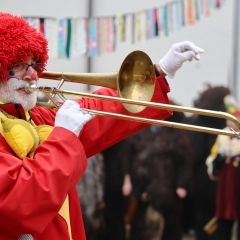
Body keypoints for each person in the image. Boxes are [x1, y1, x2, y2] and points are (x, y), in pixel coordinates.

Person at [0, 12, 204, 240]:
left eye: (33, 64)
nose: (32, 75)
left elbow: (98, 109)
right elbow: (22, 200)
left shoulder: (33, 115)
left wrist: (156, 73)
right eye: (17, 65)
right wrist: (64, 136)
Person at [129, 101, 194, 240]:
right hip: (142, 188)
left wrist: (182, 184)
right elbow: (128, 157)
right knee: (141, 226)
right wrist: (128, 179)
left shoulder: (175, 133)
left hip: (168, 189)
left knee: (169, 226)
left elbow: (184, 161)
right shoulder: (139, 131)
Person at [185, 86, 230, 240]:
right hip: (221, 183)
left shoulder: (200, 122)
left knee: (204, 223)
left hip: (203, 183)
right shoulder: (226, 123)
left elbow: (194, 154)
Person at [206, 95, 240, 240]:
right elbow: (212, 156)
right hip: (226, 183)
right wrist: (216, 163)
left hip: (238, 182)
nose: (227, 121)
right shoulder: (222, 136)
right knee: (224, 218)